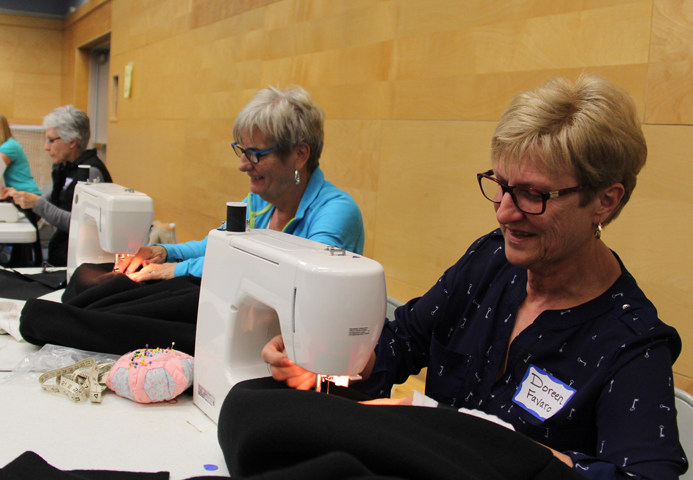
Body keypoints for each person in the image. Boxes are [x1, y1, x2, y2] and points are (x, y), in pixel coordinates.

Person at [261, 75, 686, 479]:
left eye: (533, 195)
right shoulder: (491, 261)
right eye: (500, 184)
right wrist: (325, 365)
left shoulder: (632, 345)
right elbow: (401, 343)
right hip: (411, 459)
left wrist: (465, 430)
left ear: (605, 202)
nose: (504, 211)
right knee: (256, 406)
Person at [121, 85, 364, 281]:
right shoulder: (259, 200)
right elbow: (216, 245)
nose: (243, 165)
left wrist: (177, 270)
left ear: (299, 154)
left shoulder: (336, 212)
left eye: (256, 154)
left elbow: (287, 275)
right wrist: (164, 253)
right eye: (243, 151)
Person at [3, 105, 112, 266]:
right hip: (61, 256)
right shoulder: (65, 168)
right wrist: (21, 198)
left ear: (72, 141)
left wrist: (38, 204)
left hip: (79, 263)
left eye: (51, 140)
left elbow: (83, 225)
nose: (46, 147)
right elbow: (49, 202)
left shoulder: (90, 173)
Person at [0, 112, 43, 266]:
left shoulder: (10, 147)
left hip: (27, 197)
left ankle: (23, 263)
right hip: (20, 196)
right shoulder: (8, 146)